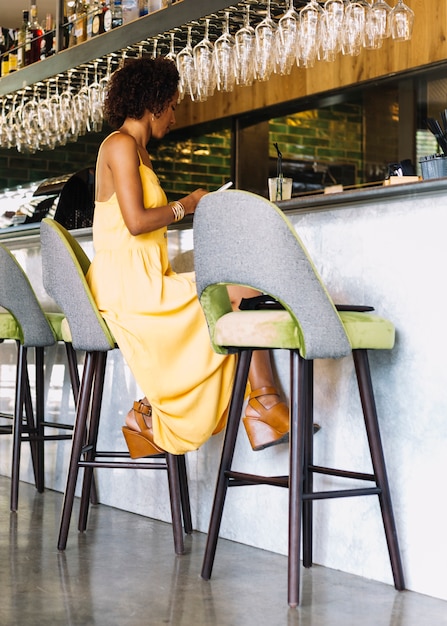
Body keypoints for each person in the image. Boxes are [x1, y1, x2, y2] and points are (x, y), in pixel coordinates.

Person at [86, 56, 289, 458]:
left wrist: (190, 206)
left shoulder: (140, 154)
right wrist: (189, 204)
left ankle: (148, 413)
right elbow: (136, 222)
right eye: (174, 105)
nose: (175, 116)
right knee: (241, 293)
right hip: (129, 288)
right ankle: (263, 405)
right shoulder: (120, 144)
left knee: (239, 293)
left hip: (146, 280)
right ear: (154, 101)